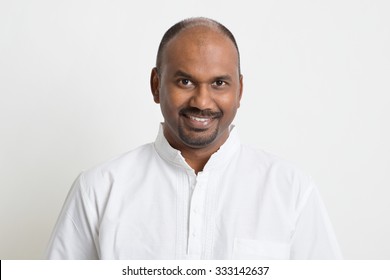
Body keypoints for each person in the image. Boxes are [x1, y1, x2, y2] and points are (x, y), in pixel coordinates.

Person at [46, 17, 342, 259]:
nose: (202, 101)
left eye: (219, 83)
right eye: (185, 81)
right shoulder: (98, 190)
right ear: (156, 85)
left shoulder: (290, 191)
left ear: (239, 90)